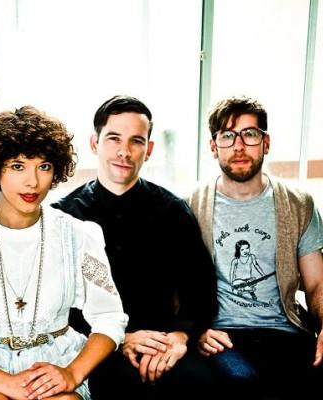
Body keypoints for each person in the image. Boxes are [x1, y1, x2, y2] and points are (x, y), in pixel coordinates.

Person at [0, 106, 128, 400]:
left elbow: (109, 318)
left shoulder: (78, 235)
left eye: (44, 166)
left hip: (56, 365)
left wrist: (72, 373)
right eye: (18, 166)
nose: (33, 181)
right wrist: (7, 384)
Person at [53, 95, 218, 398]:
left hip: (162, 343)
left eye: (136, 141)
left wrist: (180, 336)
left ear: (149, 150)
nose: (124, 152)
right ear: (94, 143)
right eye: (114, 138)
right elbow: (55, 302)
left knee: (197, 384)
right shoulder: (63, 216)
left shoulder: (173, 211)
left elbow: (201, 289)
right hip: (92, 345)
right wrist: (117, 339)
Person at [189, 96, 323, 397]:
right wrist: (194, 330)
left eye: (250, 134)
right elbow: (176, 286)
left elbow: (317, 283)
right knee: (241, 382)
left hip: (286, 331)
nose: (239, 146)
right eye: (227, 136)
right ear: (214, 147)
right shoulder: (190, 206)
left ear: (266, 143)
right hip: (222, 335)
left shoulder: (299, 204)